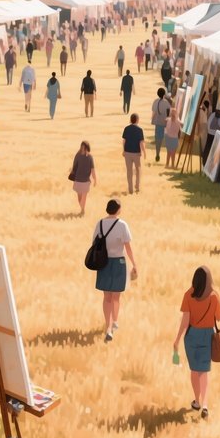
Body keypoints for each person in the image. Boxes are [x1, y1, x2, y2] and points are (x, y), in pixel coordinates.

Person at [172, 266, 220, 418]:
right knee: (204, 371)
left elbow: (185, 321)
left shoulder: (188, 295)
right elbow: (218, 317)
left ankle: (197, 401)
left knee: (195, 370)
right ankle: (205, 405)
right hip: (208, 335)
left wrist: (177, 339)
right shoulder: (214, 296)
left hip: (192, 335)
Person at [93, 199, 137, 342]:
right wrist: (134, 264)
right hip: (119, 262)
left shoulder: (99, 224)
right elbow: (128, 247)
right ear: (118, 209)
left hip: (103, 263)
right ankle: (115, 322)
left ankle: (108, 326)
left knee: (106, 297)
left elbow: (94, 243)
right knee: (116, 297)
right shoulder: (122, 225)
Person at [69, 140, 96, 215]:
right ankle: (82, 208)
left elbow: (92, 168)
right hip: (78, 179)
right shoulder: (77, 155)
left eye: (84, 147)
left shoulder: (90, 157)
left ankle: (82, 210)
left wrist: (95, 179)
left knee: (84, 197)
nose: (83, 148)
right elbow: (74, 165)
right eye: (82, 147)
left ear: (87, 148)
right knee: (79, 197)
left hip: (86, 180)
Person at [121, 113, 146, 195]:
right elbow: (141, 143)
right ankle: (137, 187)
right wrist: (144, 152)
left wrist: (123, 150)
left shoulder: (126, 129)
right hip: (136, 153)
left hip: (127, 152)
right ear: (137, 120)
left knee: (129, 171)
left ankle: (130, 189)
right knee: (138, 170)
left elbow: (124, 141)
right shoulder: (139, 130)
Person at [150, 88, 171, 163]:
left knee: (157, 139)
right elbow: (169, 114)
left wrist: (152, 120)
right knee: (163, 139)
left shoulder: (155, 101)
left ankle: (157, 153)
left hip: (157, 123)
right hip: (164, 123)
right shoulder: (166, 103)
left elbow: (153, 112)